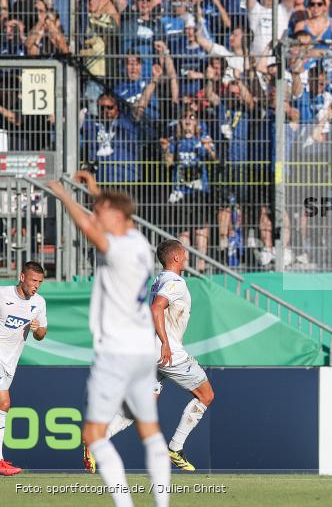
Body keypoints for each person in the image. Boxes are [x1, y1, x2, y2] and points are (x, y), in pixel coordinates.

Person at [48, 171, 170, 507]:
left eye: (101, 210)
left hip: (116, 352)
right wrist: (94, 191)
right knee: (150, 432)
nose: (96, 213)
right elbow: (108, 219)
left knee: (93, 435)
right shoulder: (140, 243)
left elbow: (90, 229)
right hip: (142, 351)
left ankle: (125, 504)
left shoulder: (120, 249)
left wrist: (64, 197)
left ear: (116, 216)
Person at [95, 240, 215, 472]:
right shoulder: (174, 282)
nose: (187, 256)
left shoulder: (159, 280)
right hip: (166, 352)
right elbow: (156, 308)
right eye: (184, 252)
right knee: (206, 395)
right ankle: (176, 447)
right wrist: (166, 345)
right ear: (177, 257)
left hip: (149, 353)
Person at [0, 262, 48, 476]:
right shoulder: (3, 295)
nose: (36, 285)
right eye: (33, 280)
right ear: (21, 277)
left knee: (3, 405)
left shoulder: (38, 303)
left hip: (10, 362)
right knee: (4, 403)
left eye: (40, 282)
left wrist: (37, 330)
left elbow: (42, 333)